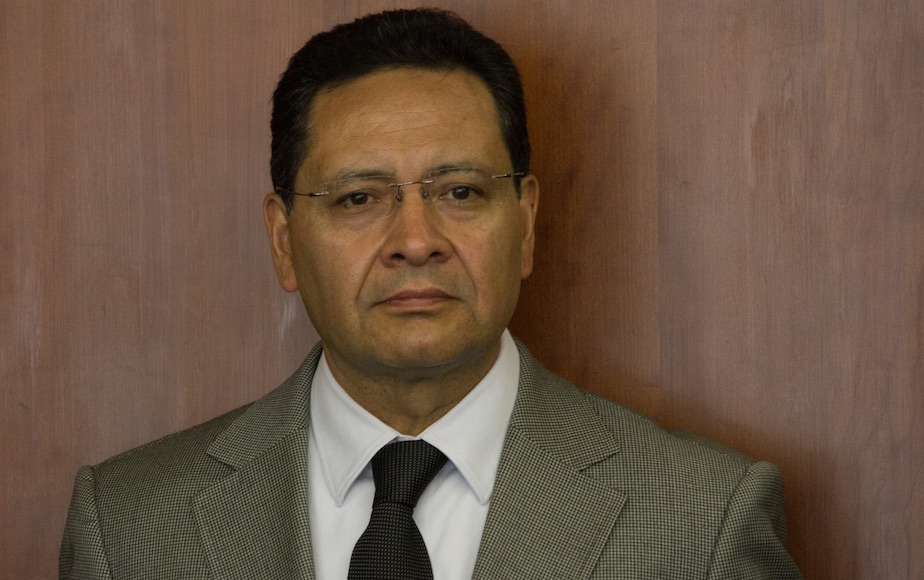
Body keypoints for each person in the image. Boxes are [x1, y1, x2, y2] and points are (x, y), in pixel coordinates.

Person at [60, 8, 801, 579]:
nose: (416, 241)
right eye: (359, 198)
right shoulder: (127, 526)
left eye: (460, 191)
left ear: (526, 223)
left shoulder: (703, 520)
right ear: (284, 240)